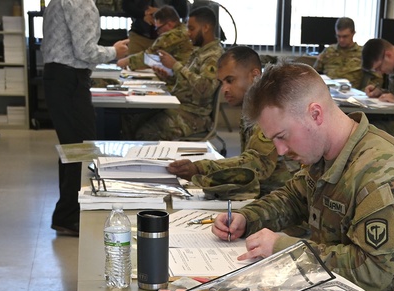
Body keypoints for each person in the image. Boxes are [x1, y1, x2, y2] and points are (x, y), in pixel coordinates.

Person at [209, 63, 394, 291]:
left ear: (315, 114)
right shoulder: (327, 152)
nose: (281, 150)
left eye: (283, 136)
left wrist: (284, 249)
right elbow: (293, 198)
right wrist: (249, 218)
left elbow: (374, 271)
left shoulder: (381, 173)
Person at [42, 0, 129, 236]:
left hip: (62, 78)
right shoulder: (79, 2)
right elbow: (86, 51)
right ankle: (68, 216)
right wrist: (115, 51)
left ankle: (67, 214)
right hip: (69, 79)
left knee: (74, 149)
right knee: (80, 149)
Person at [166, 46, 300, 196]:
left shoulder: (270, 109)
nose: (225, 89)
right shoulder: (252, 106)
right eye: (222, 82)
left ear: (255, 75)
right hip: (262, 190)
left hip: (283, 198)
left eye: (230, 80)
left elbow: (258, 164)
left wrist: (200, 168)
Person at [122, 5, 222, 141]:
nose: (188, 33)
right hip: (180, 105)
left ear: (206, 28)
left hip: (194, 115)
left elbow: (204, 89)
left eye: (192, 29)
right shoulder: (199, 51)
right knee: (130, 120)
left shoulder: (213, 56)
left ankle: (149, 161)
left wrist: (175, 65)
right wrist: (169, 76)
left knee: (146, 133)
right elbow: (188, 82)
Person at [313, 17, 379, 91]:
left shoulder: (363, 53)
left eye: (345, 36)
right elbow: (314, 74)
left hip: (353, 94)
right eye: (338, 36)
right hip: (328, 92)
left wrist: (366, 91)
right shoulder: (328, 51)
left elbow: (377, 77)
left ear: (353, 33)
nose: (341, 40)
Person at [118, 5, 192, 71]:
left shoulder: (172, 35)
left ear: (169, 25)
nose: (158, 32)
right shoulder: (185, 30)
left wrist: (124, 62)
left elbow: (150, 55)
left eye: (158, 28)